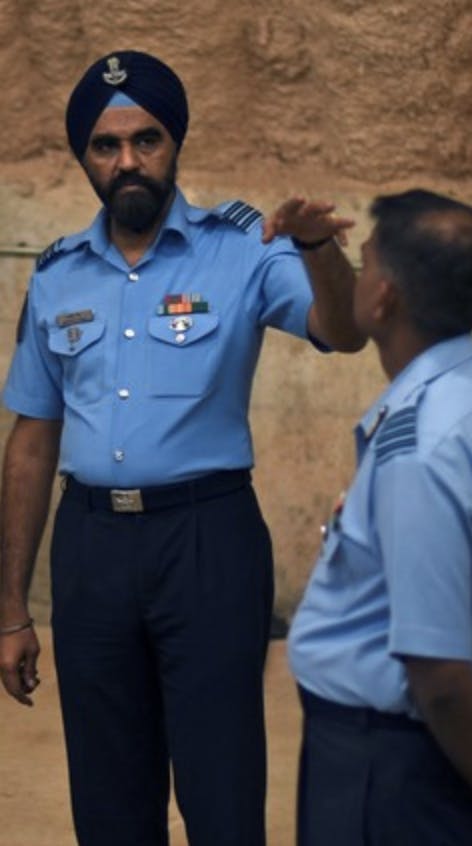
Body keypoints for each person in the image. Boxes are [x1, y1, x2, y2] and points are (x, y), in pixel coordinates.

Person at [0, 50, 365, 846]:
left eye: (147, 139)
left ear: (176, 142)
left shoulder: (244, 246)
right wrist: (10, 607)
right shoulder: (57, 274)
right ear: (85, 157)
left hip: (207, 544)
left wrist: (319, 252)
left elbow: (343, 331)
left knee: (221, 793)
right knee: (109, 805)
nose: (128, 160)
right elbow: (31, 442)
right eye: (106, 145)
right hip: (91, 549)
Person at [288, 188, 472, 846]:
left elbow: (439, 670)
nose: (358, 277)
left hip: (394, 770)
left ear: (385, 296)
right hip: (470, 747)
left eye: (366, 263)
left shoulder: (421, 445)